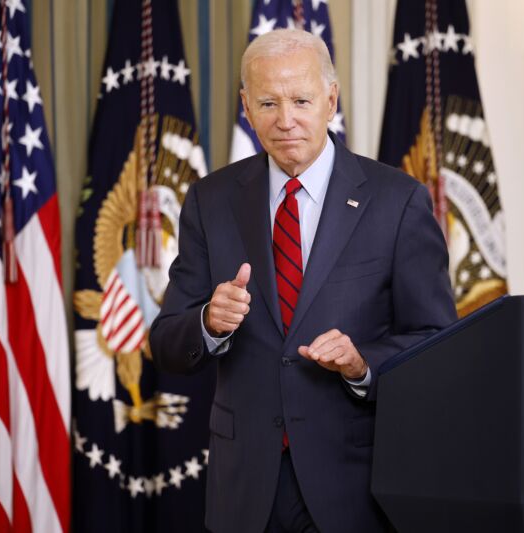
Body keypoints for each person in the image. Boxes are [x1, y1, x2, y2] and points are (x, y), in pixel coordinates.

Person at [150, 28, 456, 533]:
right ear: (245, 106)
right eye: (268, 102)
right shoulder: (211, 200)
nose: (285, 120)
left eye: (301, 99)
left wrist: (363, 364)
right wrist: (209, 322)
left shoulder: (397, 201)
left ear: (331, 99)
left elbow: (437, 342)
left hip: (355, 486)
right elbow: (166, 342)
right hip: (246, 488)